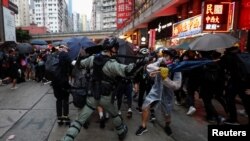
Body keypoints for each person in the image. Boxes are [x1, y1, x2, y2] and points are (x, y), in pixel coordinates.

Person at [61, 37, 144, 141]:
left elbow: (80, 65)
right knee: (115, 115)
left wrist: (81, 58)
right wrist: (140, 63)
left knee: (79, 121)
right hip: (106, 99)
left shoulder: (93, 58)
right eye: (116, 48)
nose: (117, 50)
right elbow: (128, 71)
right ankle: (121, 131)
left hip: (92, 96)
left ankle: (67, 139)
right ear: (113, 49)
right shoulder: (112, 64)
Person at [135, 49, 182, 136]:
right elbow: (149, 67)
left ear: (172, 58)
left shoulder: (177, 68)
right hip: (156, 90)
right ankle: (143, 126)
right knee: (145, 107)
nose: (165, 57)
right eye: (165, 55)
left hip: (167, 94)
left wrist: (165, 78)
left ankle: (167, 125)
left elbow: (177, 86)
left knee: (167, 114)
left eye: (167, 55)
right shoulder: (161, 61)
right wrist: (160, 69)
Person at [50, 46, 72, 126]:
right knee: (65, 99)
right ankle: (65, 117)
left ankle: (59, 118)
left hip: (55, 81)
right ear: (64, 48)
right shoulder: (65, 55)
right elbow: (71, 66)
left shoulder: (53, 55)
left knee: (58, 99)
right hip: (63, 81)